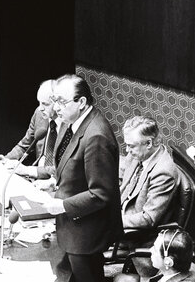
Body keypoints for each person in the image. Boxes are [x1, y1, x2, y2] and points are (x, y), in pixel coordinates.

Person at [42, 74, 122, 282]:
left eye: (62, 101)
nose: (56, 107)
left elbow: (101, 193)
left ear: (82, 102)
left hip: (86, 233)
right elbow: (73, 166)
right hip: (73, 227)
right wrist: (56, 181)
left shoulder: (96, 136)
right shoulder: (72, 123)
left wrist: (62, 206)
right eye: (54, 100)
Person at [120, 116, 178, 233]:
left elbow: (148, 218)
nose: (127, 150)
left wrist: (113, 220)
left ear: (149, 143)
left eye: (131, 146)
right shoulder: (138, 153)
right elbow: (121, 178)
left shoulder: (163, 172)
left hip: (131, 232)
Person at [0, 79, 59, 181]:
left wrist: (27, 170)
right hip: (34, 175)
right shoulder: (39, 114)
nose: (40, 108)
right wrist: (6, 160)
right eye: (39, 103)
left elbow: (61, 169)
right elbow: (24, 145)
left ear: (58, 103)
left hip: (54, 180)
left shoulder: (68, 124)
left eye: (45, 104)